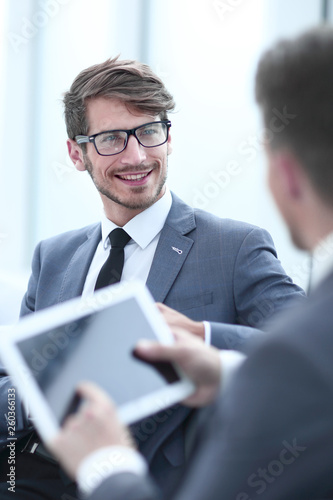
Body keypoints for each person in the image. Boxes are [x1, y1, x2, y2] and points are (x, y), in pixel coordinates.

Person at [47, 26, 333, 500]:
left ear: (169, 136)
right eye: (113, 139)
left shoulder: (235, 247)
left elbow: (304, 351)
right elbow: (10, 389)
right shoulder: (53, 258)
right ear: (77, 154)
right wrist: (42, 404)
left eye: (149, 132)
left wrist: (206, 338)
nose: (137, 155)